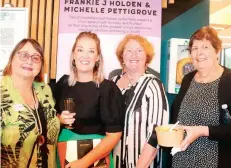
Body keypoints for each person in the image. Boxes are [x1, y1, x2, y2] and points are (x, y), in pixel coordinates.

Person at [53, 32, 124, 168]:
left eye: (91, 51)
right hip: (65, 153)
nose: (85, 56)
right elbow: (50, 117)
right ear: (74, 54)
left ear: (97, 57)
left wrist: (83, 163)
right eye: (80, 50)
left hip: (96, 159)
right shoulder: (62, 83)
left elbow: (114, 135)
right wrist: (60, 119)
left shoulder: (108, 89)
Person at [171, 26, 231, 168]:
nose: (199, 53)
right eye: (195, 48)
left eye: (205, 47)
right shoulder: (188, 79)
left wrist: (203, 131)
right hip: (181, 159)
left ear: (217, 51)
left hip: (213, 161)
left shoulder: (229, 81)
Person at [0, 39, 60, 168]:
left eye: (36, 57)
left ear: (40, 65)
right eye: (24, 55)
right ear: (12, 59)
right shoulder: (1, 92)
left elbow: (44, 121)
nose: (29, 61)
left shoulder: (44, 90)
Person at [112, 34, 169, 168]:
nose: (134, 55)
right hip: (113, 161)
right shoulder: (112, 83)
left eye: (139, 50)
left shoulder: (153, 85)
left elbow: (157, 132)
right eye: (129, 51)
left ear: (146, 57)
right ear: (122, 57)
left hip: (142, 163)